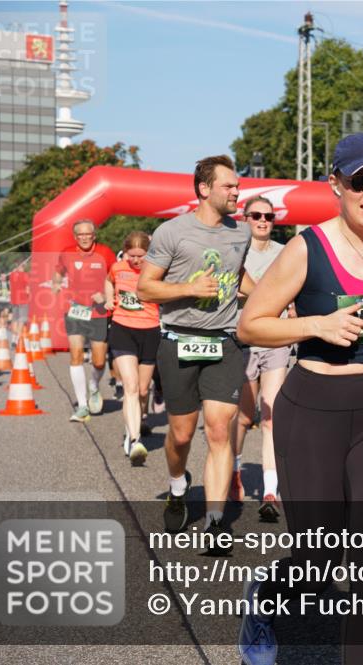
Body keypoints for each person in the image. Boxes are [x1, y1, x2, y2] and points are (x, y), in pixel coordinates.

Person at [235, 133, 363, 665]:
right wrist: (317, 324)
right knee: (320, 557)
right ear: (337, 185)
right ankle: (267, 596)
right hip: (312, 407)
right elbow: (250, 326)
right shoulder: (308, 247)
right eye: (360, 181)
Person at [137, 154, 255, 547]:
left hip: (224, 340)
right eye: (229, 186)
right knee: (183, 435)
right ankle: (176, 485)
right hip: (178, 340)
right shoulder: (172, 232)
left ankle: (217, 521)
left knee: (221, 430)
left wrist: (274, 298)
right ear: (204, 189)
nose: (236, 191)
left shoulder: (241, 233)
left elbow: (239, 278)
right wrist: (189, 288)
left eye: (237, 186)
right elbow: (145, 288)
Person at [230, 196, 291, 523]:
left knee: (271, 415)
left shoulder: (284, 253)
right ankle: (235, 470)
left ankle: (270, 491)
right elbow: (230, 288)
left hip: (276, 339)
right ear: (246, 217)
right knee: (242, 418)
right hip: (241, 340)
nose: (263, 220)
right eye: (257, 215)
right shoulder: (234, 247)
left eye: (269, 216)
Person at [104, 231, 160, 466]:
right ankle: (135, 438)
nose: (136, 260)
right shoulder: (118, 268)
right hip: (122, 328)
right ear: (125, 251)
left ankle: (134, 425)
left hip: (149, 330)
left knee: (143, 390)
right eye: (132, 255)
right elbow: (108, 281)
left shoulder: (156, 270)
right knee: (131, 386)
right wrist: (109, 299)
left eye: (141, 256)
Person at [53, 221, 116, 417]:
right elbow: (58, 273)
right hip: (75, 309)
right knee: (76, 356)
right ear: (75, 237)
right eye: (80, 234)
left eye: (88, 234)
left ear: (94, 235)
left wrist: (106, 297)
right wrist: (56, 287)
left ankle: (94, 385)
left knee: (98, 361)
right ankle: (82, 404)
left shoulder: (106, 253)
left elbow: (115, 279)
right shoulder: (67, 253)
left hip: (98, 312)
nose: (85, 237)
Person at [8, 261, 30, 340]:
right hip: (23, 300)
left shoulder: (11, 275)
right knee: (22, 319)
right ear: (23, 266)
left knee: (15, 318)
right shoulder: (25, 275)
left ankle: (13, 338)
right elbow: (28, 289)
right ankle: (18, 338)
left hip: (14, 300)